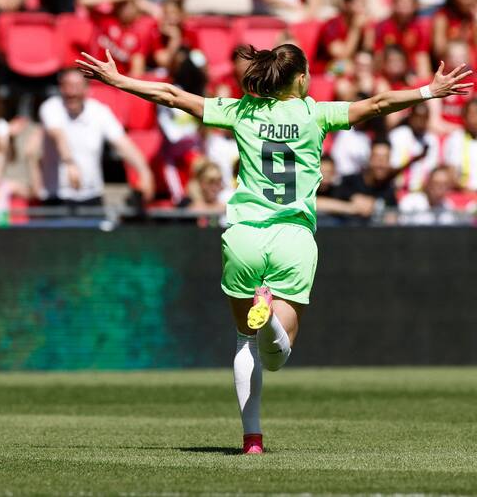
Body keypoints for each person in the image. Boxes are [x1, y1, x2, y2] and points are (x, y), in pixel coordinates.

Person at [77, 43, 471, 454]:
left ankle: (252, 439)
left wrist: (117, 80)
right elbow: (377, 104)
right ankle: (267, 321)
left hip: (244, 236)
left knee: (243, 339)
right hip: (293, 238)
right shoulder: (316, 114)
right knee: (277, 356)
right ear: (300, 78)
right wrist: (429, 91)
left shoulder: (242, 111)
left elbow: (172, 96)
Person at [34, 69, 154, 206]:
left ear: (87, 89)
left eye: (77, 86)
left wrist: (144, 171)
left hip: (92, 196)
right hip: (57, 197)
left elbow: (122, 143)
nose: (72, 92)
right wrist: (70, 163)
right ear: (61, 88)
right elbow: (57, 134)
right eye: (67, 85)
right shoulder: (51, 107)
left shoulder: (99, 111)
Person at [374, 0, 432, 80]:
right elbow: (378, 57)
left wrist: (423, 81)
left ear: (415, 5)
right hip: (388, 73)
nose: (404, 4)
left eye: (408, 1)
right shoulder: (382, 26)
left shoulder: (420, 27)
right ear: (393, 3)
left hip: (412, 73)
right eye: (401, 1)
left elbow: (422, 56)